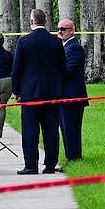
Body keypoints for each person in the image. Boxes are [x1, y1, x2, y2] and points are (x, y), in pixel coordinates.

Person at [11, 9, 66, 175]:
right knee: (51, 129)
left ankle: (31, 165)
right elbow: (62, 67)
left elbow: (17, 69)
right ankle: (50, 164)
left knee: (30, 130)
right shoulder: (56, 42)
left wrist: (17, 90)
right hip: (52, 92)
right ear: (45, 21)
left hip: (30, 93)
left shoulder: (24, 42)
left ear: (31, 22)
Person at [57, 18, 88, 161]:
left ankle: (74, 158)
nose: (60, 32)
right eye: (58, 29)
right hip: (65, 96)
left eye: (63, 29)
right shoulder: (64, 47)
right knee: (65, 129)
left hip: (72, 96)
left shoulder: (74, 48)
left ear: (72, 31)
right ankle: (71, 157)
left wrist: (53, 71)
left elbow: (69, 70)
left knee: (71, 129)